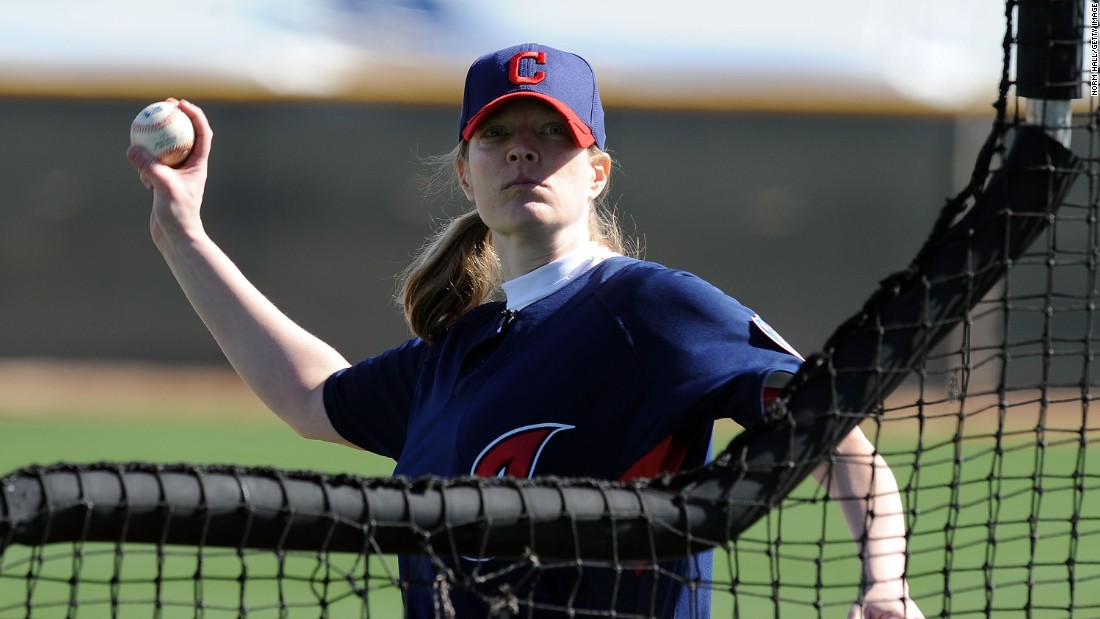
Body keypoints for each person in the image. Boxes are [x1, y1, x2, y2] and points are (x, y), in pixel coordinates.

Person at [127, 44, 924, 618]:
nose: (522, 151)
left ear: (596, 169)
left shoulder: (651, 311)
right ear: (467, 171)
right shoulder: (459, 352)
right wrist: (182, 235)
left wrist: (883, 581)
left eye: (549, 135)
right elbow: (311, 395)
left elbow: (840, 438)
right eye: (498, 135)